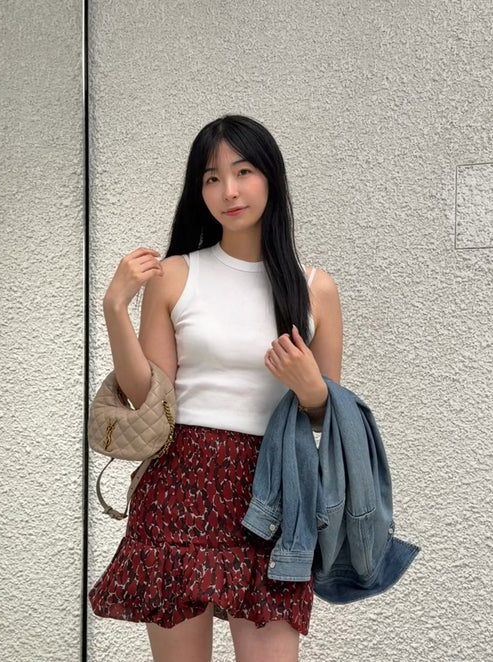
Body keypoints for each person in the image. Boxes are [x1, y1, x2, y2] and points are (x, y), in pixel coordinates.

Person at [89, 115, 343, 662]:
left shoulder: (314, 288)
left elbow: (328, 417)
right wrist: (114, 307)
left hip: (273, 487)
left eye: (243, 171)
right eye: (211, 177)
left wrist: (309, 388)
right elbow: (147, 397)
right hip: (181, 482)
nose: (228, 190)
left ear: (270, 177)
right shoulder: (176, 275)